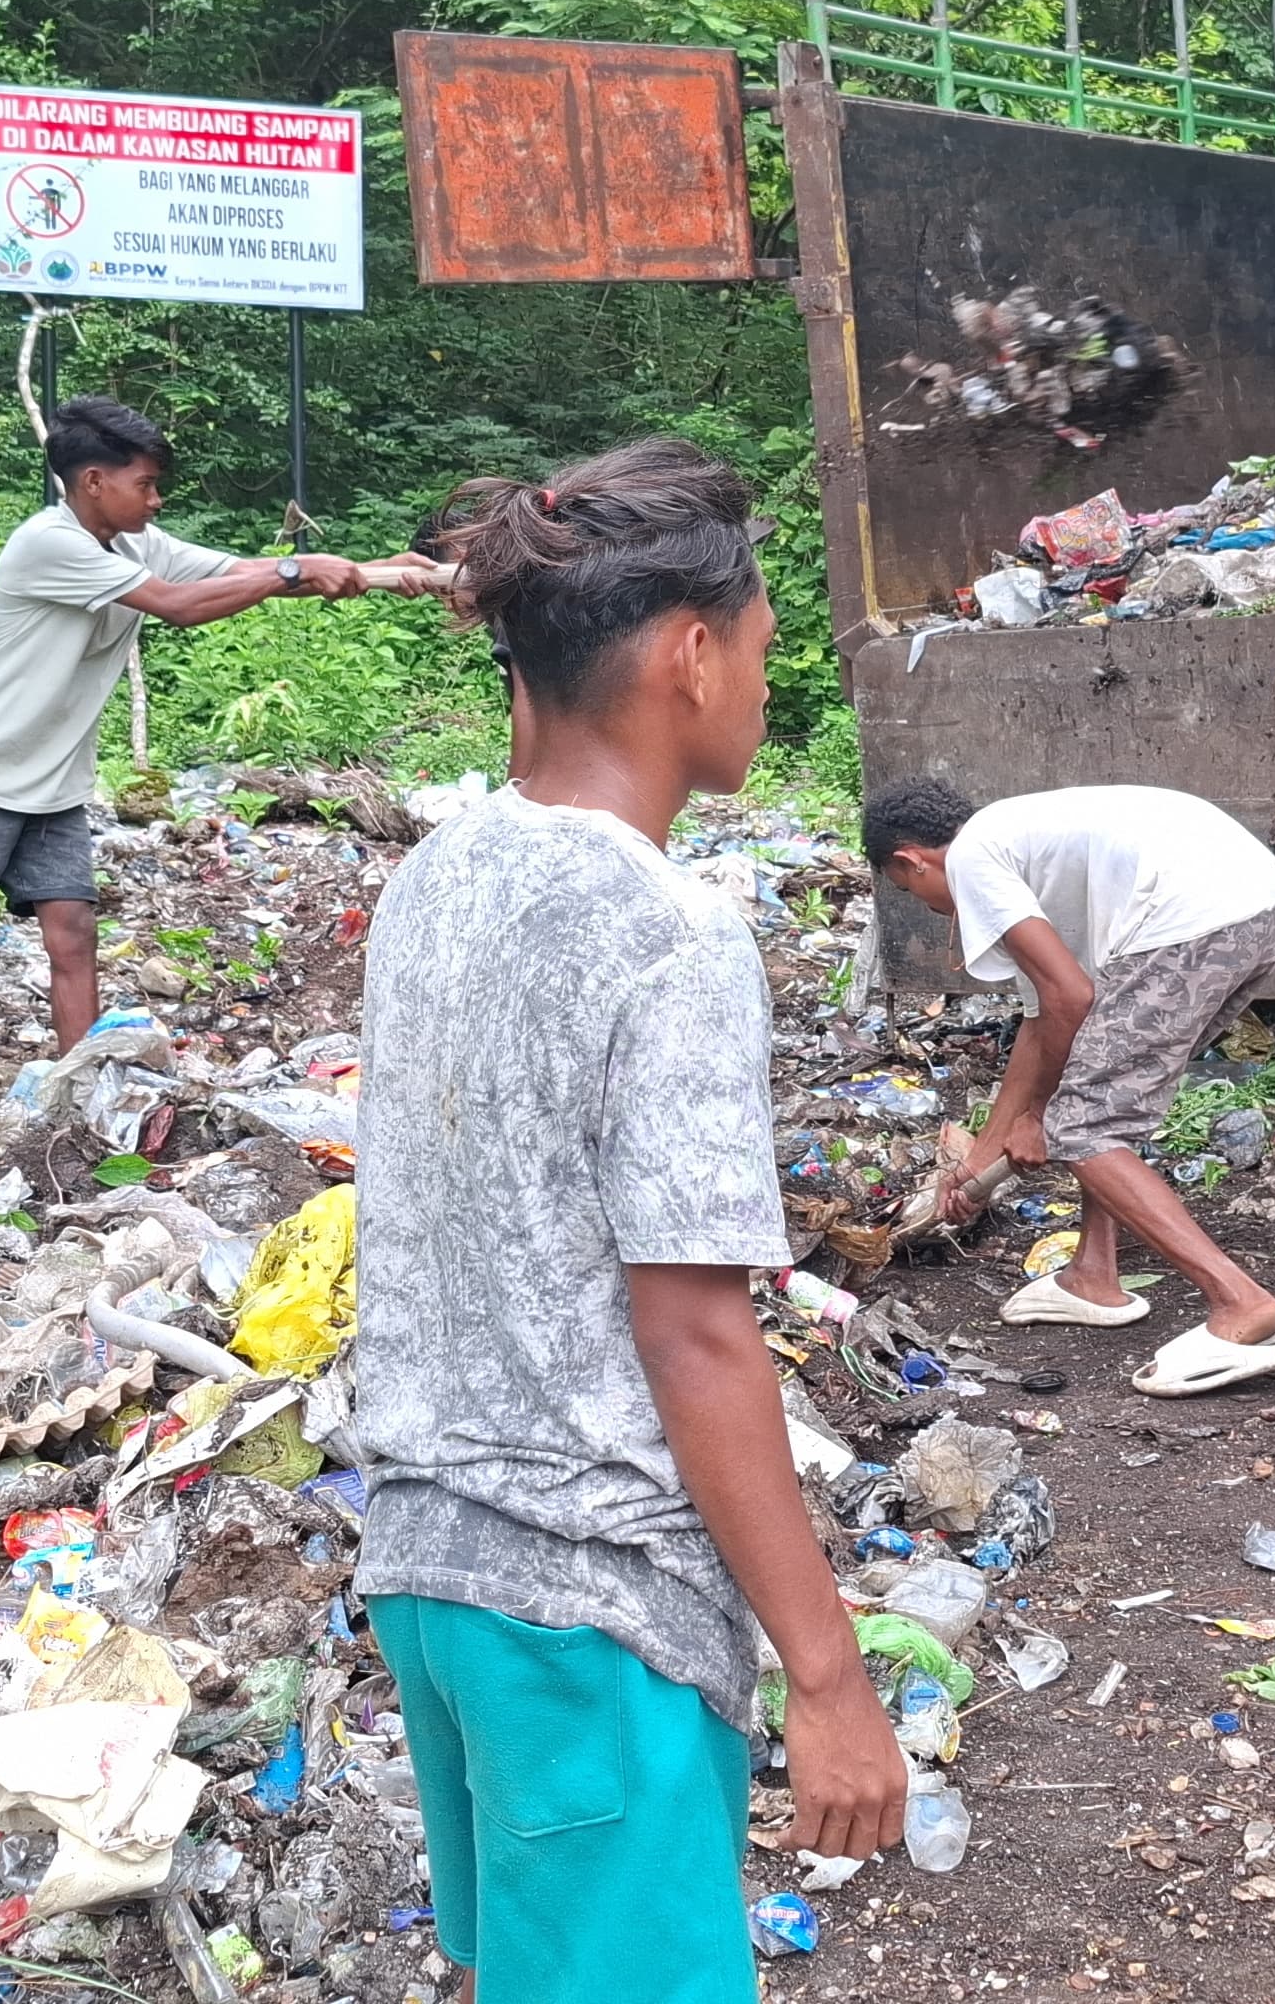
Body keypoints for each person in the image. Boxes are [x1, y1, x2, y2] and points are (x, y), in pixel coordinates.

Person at [349, 439, 901, 2004]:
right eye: (770, 655)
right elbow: (696, 1327)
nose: (768, 693)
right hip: (593, 1612)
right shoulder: (669, 936)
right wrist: (829, 1672)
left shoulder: (434, 875)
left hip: (431, 1573)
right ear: (690, 652)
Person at [0, 397, 368, 1150]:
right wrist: (296, 566)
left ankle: (77, 1107)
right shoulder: (48, 544)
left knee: (73, 932)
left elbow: (241, 573)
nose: (156, 500)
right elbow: (183, 606)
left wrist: (384, 573)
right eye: (146, 484)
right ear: (94, 481)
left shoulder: (132, 542)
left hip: (51, 780)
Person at [860, 778, 1275, 1398]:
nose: (937, 911)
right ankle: (1092, 1277)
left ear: (911, 859)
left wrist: (1039, 1115)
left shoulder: (971, 858)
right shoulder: (1023, 852)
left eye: (913, 891)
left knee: (1083, 1123)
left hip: (1190, 920)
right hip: (1252, 912)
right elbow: (1045, 1025)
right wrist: (980, 1157)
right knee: (1104, 1110)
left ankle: (1239, 1302)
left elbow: (1070, 999)